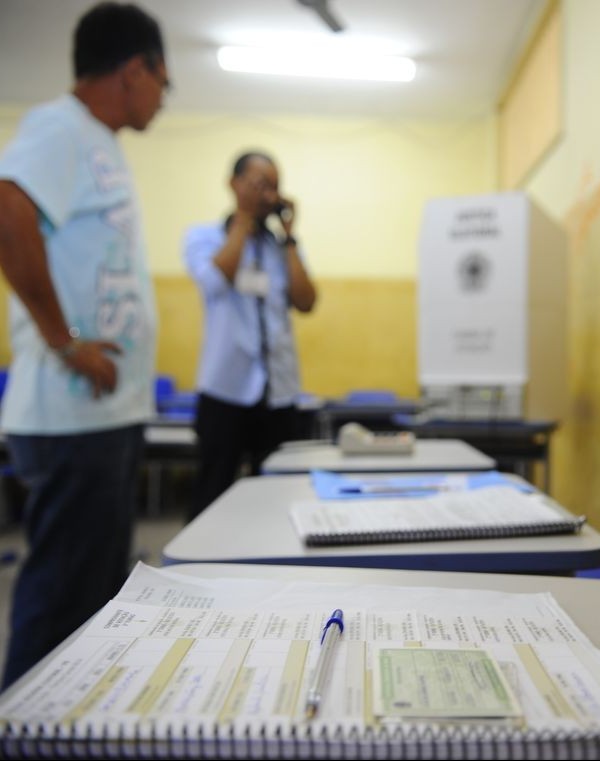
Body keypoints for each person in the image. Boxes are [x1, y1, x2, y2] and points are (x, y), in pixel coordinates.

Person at [0, 2, 168, 688]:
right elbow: (9, 212)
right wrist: (67, 343)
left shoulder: (97, 141)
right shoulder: (59, 127)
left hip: (104, 413)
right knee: (60, 598)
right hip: (72, 413)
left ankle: (72, 722)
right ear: (135, 70)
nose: (161, 98)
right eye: (163, 80)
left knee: (95, 600)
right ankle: (23, 726)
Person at [184, 151, 317, 521]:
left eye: (274, 186)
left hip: (279, 391)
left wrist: (290, 237)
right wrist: (242, 219)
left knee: (278, 497)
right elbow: (214, 279)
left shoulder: (280, 248)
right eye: (259, 184)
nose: (267, 195)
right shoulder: (204, 237)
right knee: (212, 493)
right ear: (234, 184)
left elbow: (306, 301)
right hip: (225, 389)